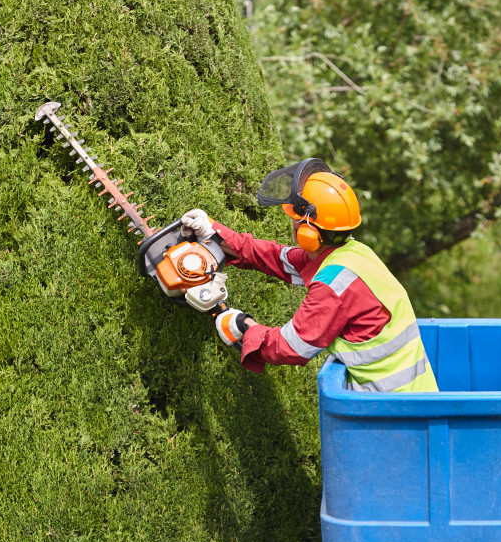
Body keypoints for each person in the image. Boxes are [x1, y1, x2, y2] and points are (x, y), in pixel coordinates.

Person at [180, 158, 438, 393]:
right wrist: (214, 233)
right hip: (421, 397)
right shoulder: (355, 254)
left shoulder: (333, 286)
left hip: (388, 413)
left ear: (309, 231)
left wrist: (243, 327)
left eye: (296, 217)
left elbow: (291, 347)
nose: (292, 221)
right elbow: (278, 259)